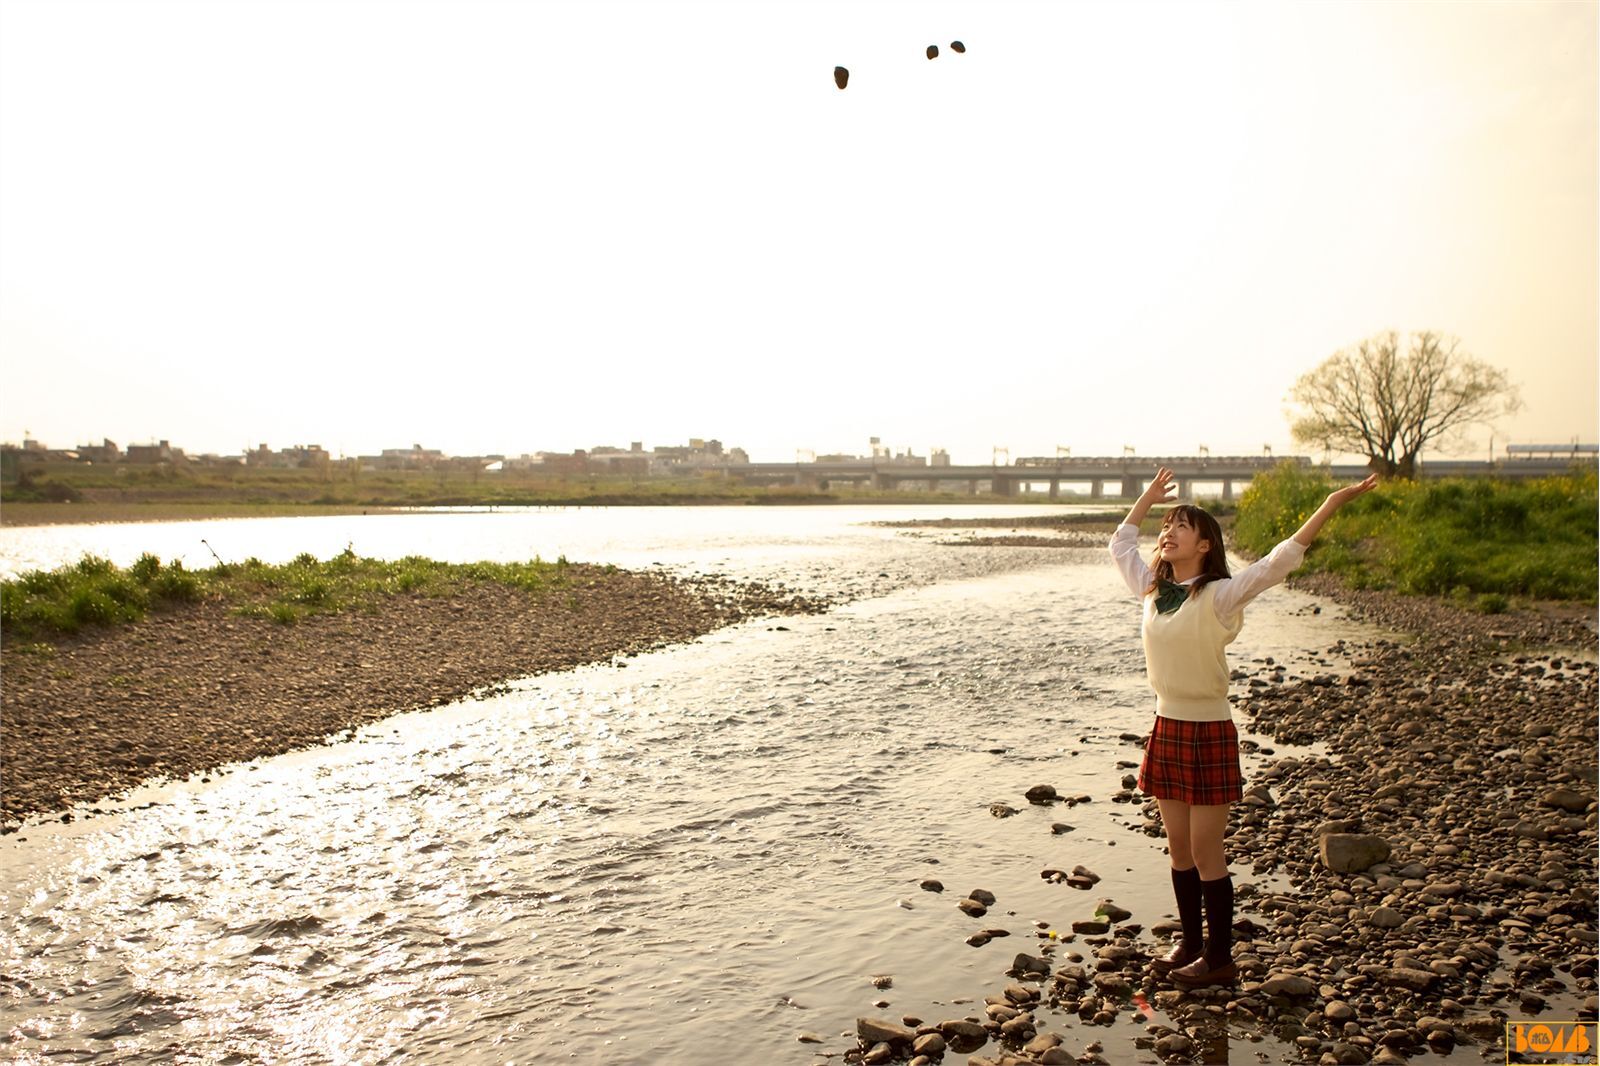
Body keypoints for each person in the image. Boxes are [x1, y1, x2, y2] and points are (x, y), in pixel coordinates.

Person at [1110, 465, 1377, 987]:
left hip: (1207, 730)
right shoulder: (1151, 589)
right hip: (1166, 726)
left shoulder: (1220, 595)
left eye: (1180, 528)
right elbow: (1121, 542)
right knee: (1180, 847)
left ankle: (1219, 958)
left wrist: (1331, 503)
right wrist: (1145, 500)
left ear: (1205, 545)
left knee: (1208, 849)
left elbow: (1279, 562)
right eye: (1165, 528)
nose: (1166, 534)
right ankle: (1189, 943)